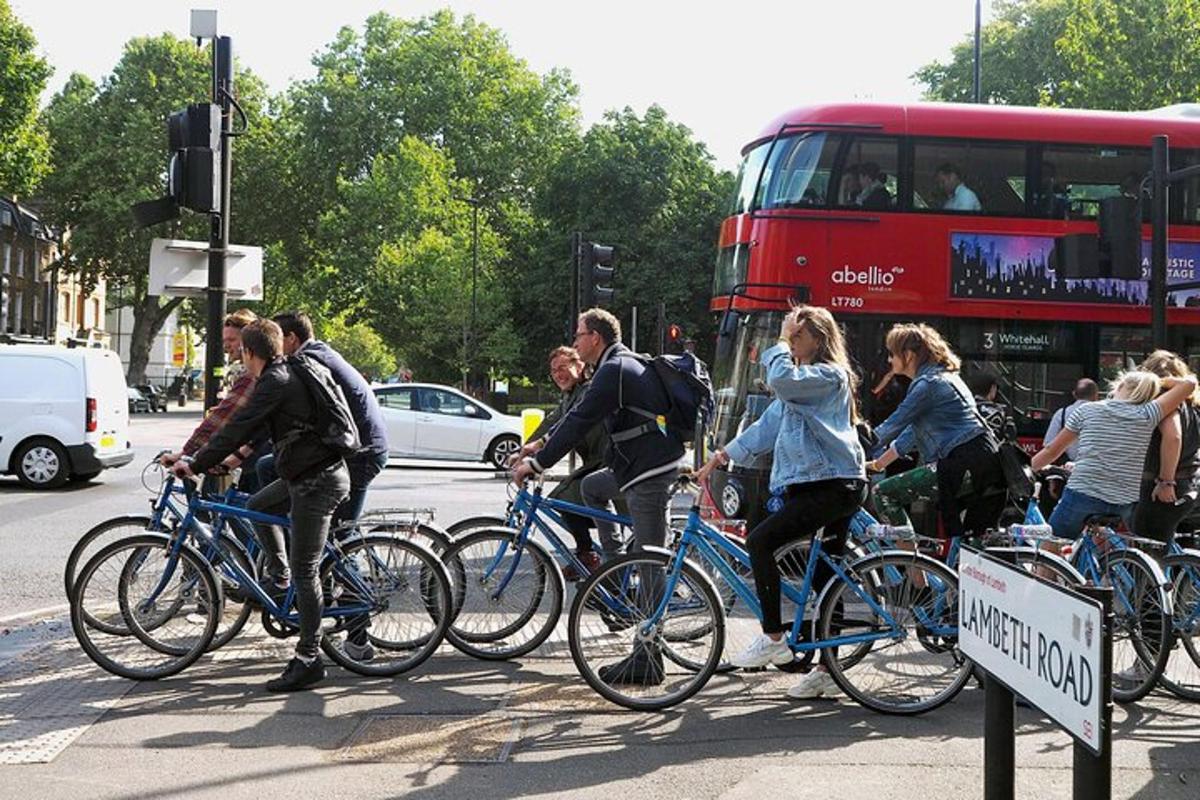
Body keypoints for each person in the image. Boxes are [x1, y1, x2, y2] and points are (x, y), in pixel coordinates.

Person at [696, 305, 866, 699]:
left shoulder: (829, 376)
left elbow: (783, 382)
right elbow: (766, 426)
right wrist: (721, 457)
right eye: (790, 338)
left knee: (759, 541)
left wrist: (775, 344)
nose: (790, 344)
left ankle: (774, 636)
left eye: (797, 337)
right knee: (827, 579)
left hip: (833, 486)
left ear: (818, 340)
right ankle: (828, 668)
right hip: (819, 485)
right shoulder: (802, 382)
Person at [171, 320, 350, 692]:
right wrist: (217, 461)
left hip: (317, 482)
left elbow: (239, 425)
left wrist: (196, 463)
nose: (238, 355)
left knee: (308, 572)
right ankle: (278, 574)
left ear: (251, 353)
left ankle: (309, 659)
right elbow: (254, 432)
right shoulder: (283, 376)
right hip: (305, 474)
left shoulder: (275, 381)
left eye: (240, 350)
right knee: (257, 505)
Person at [513, 307, 683, 684]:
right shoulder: (618, 364)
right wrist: (535, 448)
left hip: (649, 473)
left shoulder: (613, 370)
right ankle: (613, 557)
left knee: (651, 563)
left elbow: (579, 421)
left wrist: (537, 464)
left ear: (595, 338)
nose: (574, 341)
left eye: (578, 335)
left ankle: (648, 659)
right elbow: (565, 419)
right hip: (632, 468)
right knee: (591, 487)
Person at [868, 323, 1005, 539]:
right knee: (969, 547)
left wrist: (852, 447)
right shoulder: (945, 377)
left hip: (963, 464)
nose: (889, 360)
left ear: (909, 355)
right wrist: (877, 464)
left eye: (892, 354)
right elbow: (910, 434)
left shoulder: (927, 384)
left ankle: (912, 569)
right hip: (982, 463)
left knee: (883, 493)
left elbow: (892, 425)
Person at [1031, 369, 1197, 540]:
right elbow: (1190, 384)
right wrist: (1159, 382)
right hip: (1124, 502)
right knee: (1101, 539)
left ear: (1121, 385)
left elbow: (1052, 450)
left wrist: (1029, 468)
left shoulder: (1087, 410)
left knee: (1051, 544)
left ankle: (1049, 563)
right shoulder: (1148, 414)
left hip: (1084, 494)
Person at [272, 311, 389, 527]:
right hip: (358, 445)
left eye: (277, 338)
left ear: (291, 339)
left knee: (337, 533)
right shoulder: (318, 353)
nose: (273, 346)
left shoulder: (308, 362)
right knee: (267, 466)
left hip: (361, 452)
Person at [514, 345, 614, 575]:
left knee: (566, 498)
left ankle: (593, 557)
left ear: (580, 365)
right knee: (568, 501)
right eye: (554, 370)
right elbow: (551, 423)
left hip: (610, 462)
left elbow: (569, 427)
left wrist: (537, 456)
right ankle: (591, 556)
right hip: (596, 464)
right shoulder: (570, 396)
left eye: (563, 367)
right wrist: (523, 450)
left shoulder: (588, 391)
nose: (558, 374)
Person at [161, 309, 265, 494]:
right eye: (225, 340)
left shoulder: (251, 374)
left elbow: (224, 416)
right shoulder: (246, 372)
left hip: (255, 455)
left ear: (248, 341)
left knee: (250, 511)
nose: (226, 346)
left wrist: (187, 452)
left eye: (232, 340)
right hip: (249, 451)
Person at [1132, 351, 1200, 542]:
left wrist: (1165, 481)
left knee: (1149, 552)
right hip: (1191, 481)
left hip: (1164, 486)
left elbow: (1173, 436)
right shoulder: (1192, 403)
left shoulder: (1166, 400)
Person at [1043, 378, 1099, 463]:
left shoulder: (1061, 414)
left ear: (1074, 394)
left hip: (1067, 468)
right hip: (1094, 468)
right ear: (1096, 396)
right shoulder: (1103, 415)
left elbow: (1048, 444)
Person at [968, 372, 1015, 443]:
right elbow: (1011, 434)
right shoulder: (1001, 410)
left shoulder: (965, 407)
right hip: (992, 450)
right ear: (992, 388)